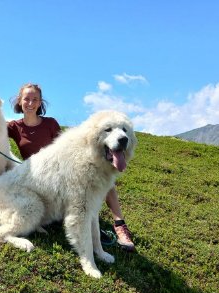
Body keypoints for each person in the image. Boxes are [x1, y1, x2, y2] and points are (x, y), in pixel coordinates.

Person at [7, 83, 135, 251]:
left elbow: (66, 149)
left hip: (61, 171)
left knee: (103, 177)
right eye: (27, 99)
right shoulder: (13, 127)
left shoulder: (50, 123)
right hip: (38, 178)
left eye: (35, 99)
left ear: (40, 103)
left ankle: (119, 225)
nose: (30, 103)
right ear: (19, 101)